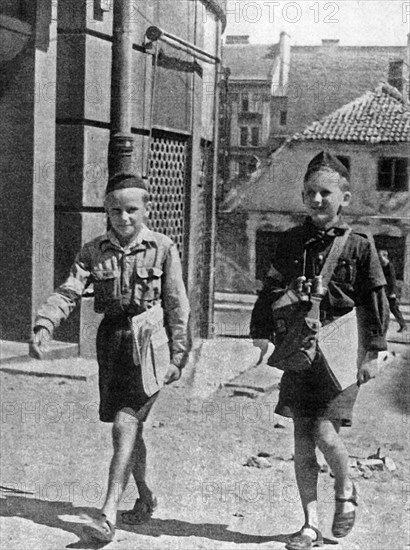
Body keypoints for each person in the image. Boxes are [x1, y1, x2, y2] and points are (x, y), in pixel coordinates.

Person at [29, 173, 190, 542]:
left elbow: (178, 305)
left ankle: (107, 514)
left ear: (146, 209)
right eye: (116, 210)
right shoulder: (92, 250)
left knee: (124, 425)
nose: (125, 217)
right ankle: (145, 496)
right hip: (112, 343)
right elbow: (69, 291)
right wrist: (45, 324)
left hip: (150, 344)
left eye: (132, 210)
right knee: (129, 430)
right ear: (106, 211)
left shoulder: (163, 248)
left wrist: (178, 356)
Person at [251, 152, 389, 550]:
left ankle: (345, 489)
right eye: (309, 192)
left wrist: (374, 351)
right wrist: (261, 330)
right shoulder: (291, 241)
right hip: (300, 348)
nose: (315, 200)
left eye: (324, 193)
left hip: (343, 350)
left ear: (344, 197)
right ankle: (309, 525)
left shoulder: (360, 246)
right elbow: (270, 289)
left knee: (326, 434)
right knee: (300, 440)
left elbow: (373, 301)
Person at [377, 248, 407, 332]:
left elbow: (392, 280)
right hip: (385, 291)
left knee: (394, 309)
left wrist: (393, 292)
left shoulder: (389, 266)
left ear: (385, 257)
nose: (379, 259)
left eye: (380, 257)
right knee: (383, 309)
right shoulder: (382, 266)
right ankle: (383, 327)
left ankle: (403, 325)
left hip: (391, 292)